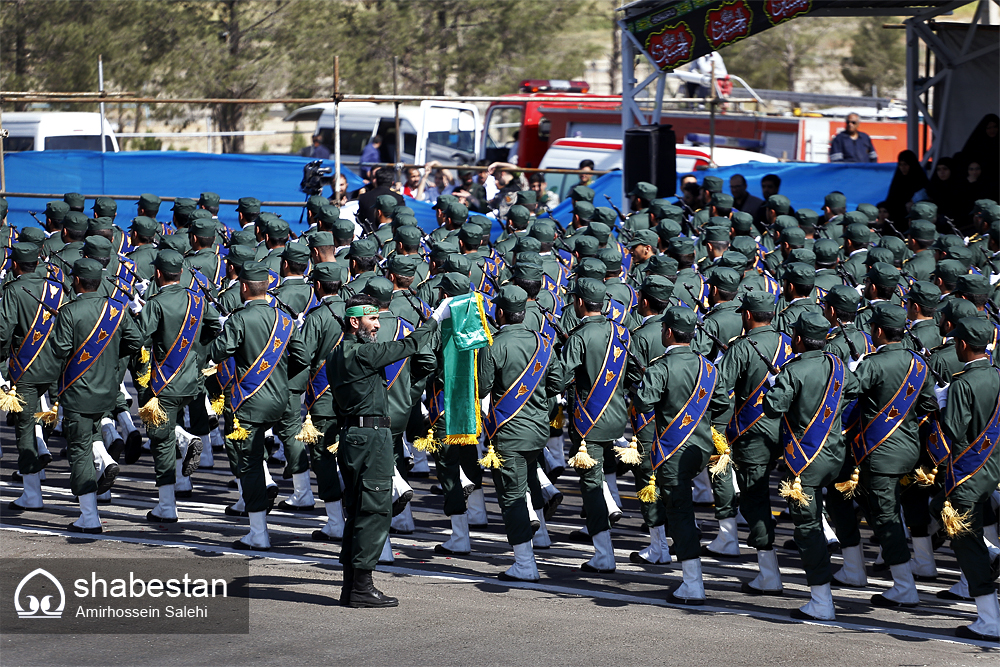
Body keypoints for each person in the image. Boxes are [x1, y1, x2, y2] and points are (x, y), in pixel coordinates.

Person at [328, 292, 447, 608]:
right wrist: (434, 320)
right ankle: (361, 588)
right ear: (354, 322)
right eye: (372, 319)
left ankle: (352, 586)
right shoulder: (360, 354)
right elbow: (407, 346)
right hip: (371, 439)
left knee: (357, 512)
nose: (378, 326)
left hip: (354, 435)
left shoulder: (337, 354)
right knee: (375, 510)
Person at [208, 261, 310, 551]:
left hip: (249, 404)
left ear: (243, 287)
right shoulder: (285, 320)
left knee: (250, 464)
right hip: (281, 400)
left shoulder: (240, 319)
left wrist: (225, 328)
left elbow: (217, 353)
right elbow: (302, 357)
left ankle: (258, 533)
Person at [630, 307, 729, 604]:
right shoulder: (708, 366)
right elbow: (723, 403)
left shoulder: (662, 367)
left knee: (682, 516)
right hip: (700, 450)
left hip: (672, 452)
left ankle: (692, 583)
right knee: (683, 511)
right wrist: (712, 432)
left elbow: (643, 402)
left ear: (669, 332)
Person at [762, 312, 857, 621]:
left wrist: (775, 385)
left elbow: (772, 407)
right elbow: (854, 389)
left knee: (808, 529)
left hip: (806, 461)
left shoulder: (793, 370)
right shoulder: (838, 365)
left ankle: (821, 600)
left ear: (799, 339)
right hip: (836, 455)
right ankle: (852, 569)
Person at [48, 259, 145, 533]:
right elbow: (136, 342)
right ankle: (105, 463)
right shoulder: (117, 310)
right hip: (107, 392)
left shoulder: (70, 311)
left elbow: (59, 350)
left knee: (79, 451)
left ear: (76, 281)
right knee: (91, 440)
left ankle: (89, 517)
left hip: (79, 395)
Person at [478, 284, 563, 581]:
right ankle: (539, 538)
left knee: (512, 497)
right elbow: (556, 385)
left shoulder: (493, 345)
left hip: (509, 432)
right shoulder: (543, 343)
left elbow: (484, 388)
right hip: (538, 430)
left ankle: (525, 565)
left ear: (499, 313)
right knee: (529, 482)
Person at [137, 250, 221, 524]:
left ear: (158, 274)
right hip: (193, 381)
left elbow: (141, 337)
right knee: (166, 428)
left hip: (165, 382)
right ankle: (184, 440)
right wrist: (195, 351)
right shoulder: (197, 299)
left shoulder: (156, 302)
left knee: (160, 440)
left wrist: (136, 314)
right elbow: (214, 328)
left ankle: (167, 505)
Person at [929, 317, 1000, 642]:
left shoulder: (963, 384)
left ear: (961, 344)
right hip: (992, 467)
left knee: (964, 539)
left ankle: (989, 619)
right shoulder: (996, 375)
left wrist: (941, 407)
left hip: (968, 473)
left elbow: (953, 431)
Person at [0, 243, 63, 512]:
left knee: (25, 428)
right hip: (57, 367)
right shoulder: (56, 287)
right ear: (37, 263)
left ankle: (31, 493)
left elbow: (4, 332)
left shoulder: (13, 290)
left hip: (26, 368)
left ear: (14, 265)